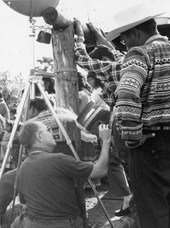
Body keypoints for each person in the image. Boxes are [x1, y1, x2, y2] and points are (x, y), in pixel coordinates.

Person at [106, 3, 170, 228]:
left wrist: (133, 137)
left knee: (154, 212)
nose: (126, 46)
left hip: (151, 145)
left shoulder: (139, 53)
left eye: (124, 40)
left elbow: (125, 95)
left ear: (136, 32)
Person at [74, 20, 132, 216]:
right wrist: (100, 38)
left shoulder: (110, 71)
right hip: (134, 121)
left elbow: (80, 57)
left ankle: (130, 200)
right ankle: (130, 199)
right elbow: (113, 51)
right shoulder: (127, 61)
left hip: (122, 123)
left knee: (119, 162)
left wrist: (80, 37)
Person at [11, 119, 111, 228]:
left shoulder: (22, 167)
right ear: (39, 136)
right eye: (47, 130)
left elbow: (24, 205)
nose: (52, 133)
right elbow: (101, 170)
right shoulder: (58, 159)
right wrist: (105, 140)